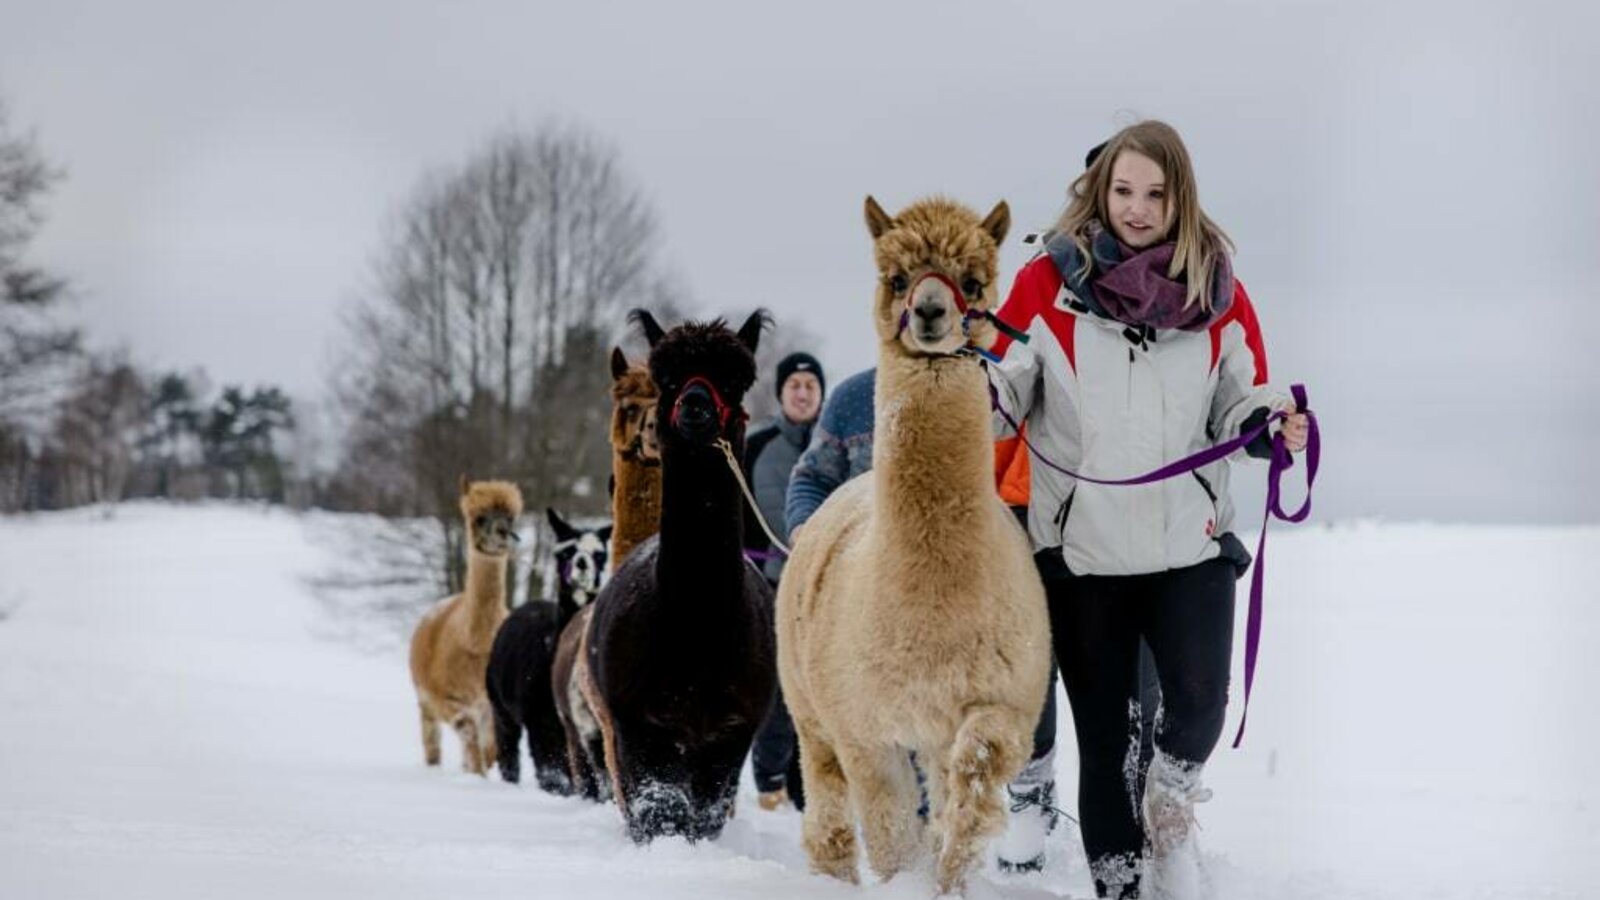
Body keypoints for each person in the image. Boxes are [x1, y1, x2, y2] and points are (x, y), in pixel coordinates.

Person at [986, 119, 1309, 898]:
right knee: (1105, 748)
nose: (1137, 209)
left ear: (1181, 199)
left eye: (1156, 194)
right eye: (1124, 191)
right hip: (1084, 559)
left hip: (1189, 548)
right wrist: (953, 391)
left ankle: (1171, 802)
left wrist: (1270, 425)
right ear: (1100, 193)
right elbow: (1000, 392)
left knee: (1198, 706)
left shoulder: (1219, 293)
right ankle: (1123, 888)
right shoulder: (1043, 284)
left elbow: (1241, 397)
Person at [785, 366, 1070, 873]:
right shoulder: (853, 397)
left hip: (951, 582)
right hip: (859, 590)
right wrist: (806, 525)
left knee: (949, 743)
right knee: (837, 738)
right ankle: (857, 865)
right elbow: (812, 474)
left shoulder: (977, 387)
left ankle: (954, 871)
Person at [742, 351, 825, 811]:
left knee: (819, 686)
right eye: (794, 384)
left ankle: (810, 785)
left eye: (810, 385)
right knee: (776, 686)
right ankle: (769, 782)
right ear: (780, 393)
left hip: (825, 588)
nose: (801, 392)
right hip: (769, 583)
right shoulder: (757, 446)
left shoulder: (835, 448)